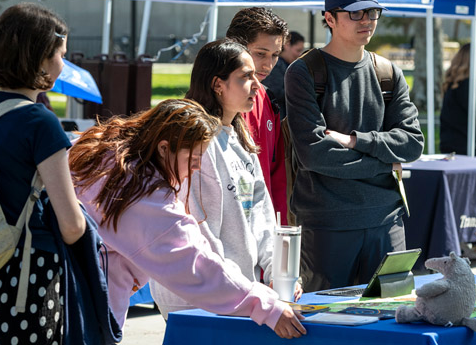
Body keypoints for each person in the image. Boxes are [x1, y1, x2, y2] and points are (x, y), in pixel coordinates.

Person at [70, 99, 305, 338]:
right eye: (193, 161)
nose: (195, 169)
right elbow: (197, 264)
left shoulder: (106, 147)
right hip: (83, 309)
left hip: (67, 289)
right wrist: (267, 308)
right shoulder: (146, 198)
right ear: (163, 148)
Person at [0, 3, 86, 345]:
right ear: (40, 58)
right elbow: (71, 226)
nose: (63, 65)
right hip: (25, 278)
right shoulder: (39, 122)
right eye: (60, 55)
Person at [285, 0, 424, 292]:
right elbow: (315, 154)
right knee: (328, 324)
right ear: (330, 18)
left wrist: (358, 141)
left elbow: (413, 142)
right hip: (328, 226)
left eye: (372, 12)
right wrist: (384, 162)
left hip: (388, 222)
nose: (367, 21)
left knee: (392, 321)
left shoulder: (388, 72)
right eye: (356, 14)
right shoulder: (304, 72)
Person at [151, 39, 301, 314]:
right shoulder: (195, 144)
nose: (257, 84)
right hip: (198, 298)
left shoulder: (241, 139)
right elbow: (198, 231)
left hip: (237, 292)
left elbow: (262, 216)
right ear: (217, 84)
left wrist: (274, 268)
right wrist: (242, 292)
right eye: (246, 76)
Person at [223, 8, 290, 223]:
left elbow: (277, 175)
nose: (268, 65)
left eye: (275, 55)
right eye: (260, 53)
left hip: (264, 230)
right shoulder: (209, 102)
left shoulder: (269, 100)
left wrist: (279, 227)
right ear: (234, 46)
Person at [439, 44, 476, 156]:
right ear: (474, 60)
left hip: (459, 145)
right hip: (468, 148)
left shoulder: (457, 83)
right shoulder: (468, 84)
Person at [263, 30, 305, 119]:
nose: (299, 55)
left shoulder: (286, 65)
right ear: (287, 45)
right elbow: (274, 92)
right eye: (298, 50)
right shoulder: (277, 66)